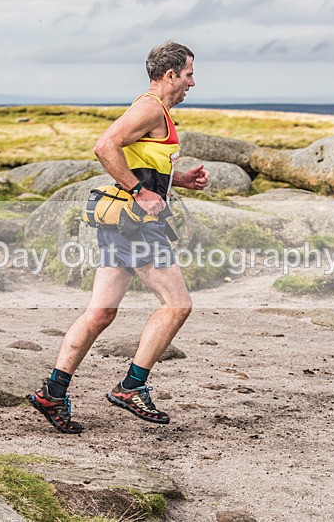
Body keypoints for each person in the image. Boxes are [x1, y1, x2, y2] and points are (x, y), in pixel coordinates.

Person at [28, 41, 209, 434]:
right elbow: (105, 146)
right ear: (170, 75)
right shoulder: (149, 107)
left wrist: (178, 180)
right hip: (136, 223)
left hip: (118, 224)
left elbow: (140, 160)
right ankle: (132, 386)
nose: (193, 82)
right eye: (189, 73)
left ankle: (52, 393)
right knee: (177, 305)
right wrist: (140, 193)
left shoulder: (152, 109)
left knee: (100, 313)